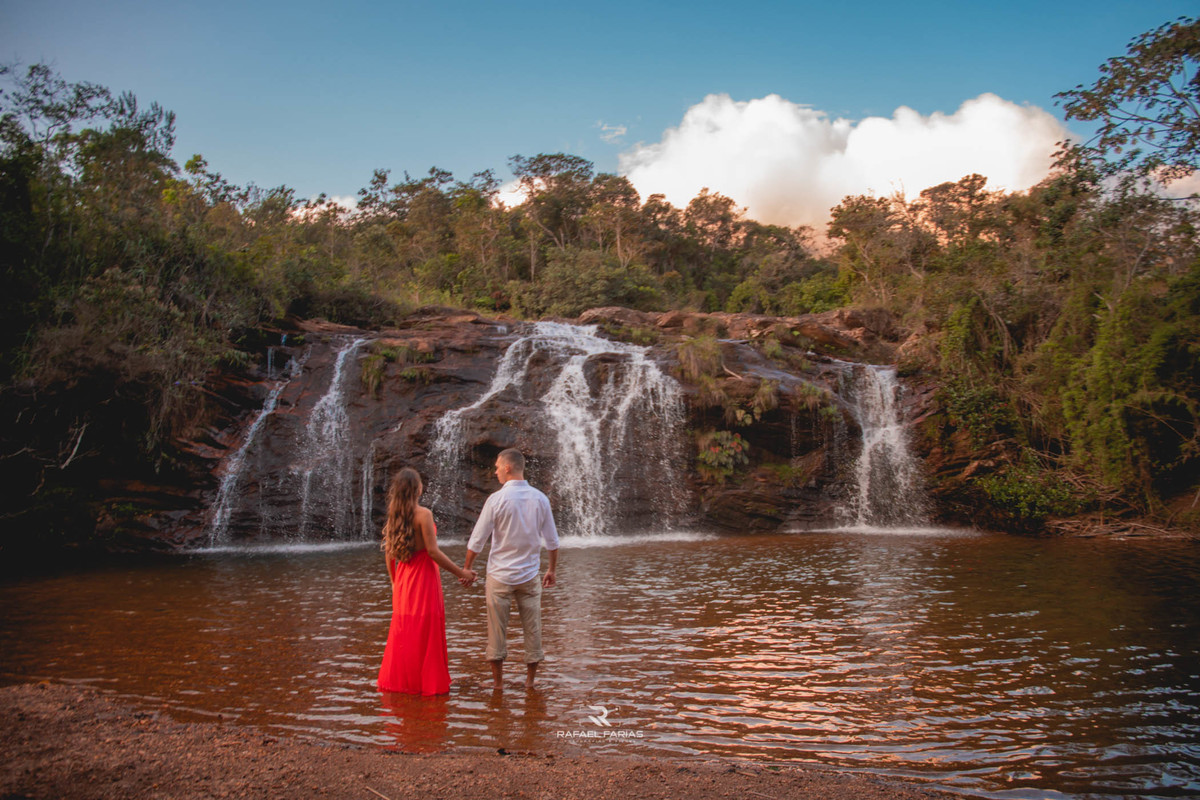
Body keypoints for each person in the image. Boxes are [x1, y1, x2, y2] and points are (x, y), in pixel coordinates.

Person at [464, 448, 559, 690]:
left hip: (499, 576)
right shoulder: (540, 498)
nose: (495, 471)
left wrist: (467, 568)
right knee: (533, 629)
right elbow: (552, 540)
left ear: (507, 467)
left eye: (497, 466)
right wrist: (552, 570)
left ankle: (498, 684)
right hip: (529, 576)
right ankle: (529, 683)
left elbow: (478, 539)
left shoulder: (496, 500)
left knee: (496, 631)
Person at [378, 467, 476, 695]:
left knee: (405, 630)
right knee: (426, 630)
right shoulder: (424, 514)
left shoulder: (395, 514)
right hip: (423, 578)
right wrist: (461, 573)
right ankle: (427, 684)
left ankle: (403, 684)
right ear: (417, 488)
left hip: (403, 578)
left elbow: (389, 553)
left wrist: (394, 582)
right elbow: (433, 552)